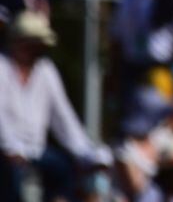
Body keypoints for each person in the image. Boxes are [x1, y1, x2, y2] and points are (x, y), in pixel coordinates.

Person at [0, 11, 112, 201]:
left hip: (37, 150)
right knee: (12, 180)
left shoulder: (46, 70)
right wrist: (11, 149)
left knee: (65, 173)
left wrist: (85, 153)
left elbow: (63, 116)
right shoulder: (2, 67)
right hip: (5, 153)